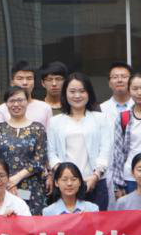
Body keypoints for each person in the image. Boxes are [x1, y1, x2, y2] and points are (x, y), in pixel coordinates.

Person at [47, 73, 113, 210]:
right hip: (66, 186)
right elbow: (51, 153)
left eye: (82, 91)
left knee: (96, 222)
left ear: (89, 93)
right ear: (65, 94)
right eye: (72, 91)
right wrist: (64, 175)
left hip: (94, 182)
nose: (77, 95)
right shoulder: (55, 122)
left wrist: (96, 176)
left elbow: (105, 150)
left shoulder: (101, 119)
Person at [0, 86, 49, 214]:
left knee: (32, 223)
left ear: (27, 102)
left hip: (32, 187)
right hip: (3, 186)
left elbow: (39, 160)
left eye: (20, 100)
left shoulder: (38, 129)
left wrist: (16, 178)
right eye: (12, 101)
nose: (16, 104)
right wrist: (8, 182)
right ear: (6, 104)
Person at [0, 61, 53, 129]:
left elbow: (49, 134)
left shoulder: (45, 108)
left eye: (29, 78)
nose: (25, 83)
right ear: (12, 83)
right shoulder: (2, 109)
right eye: (20, 78)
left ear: (34, 82)